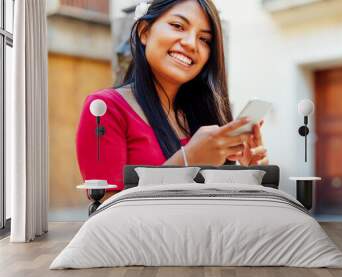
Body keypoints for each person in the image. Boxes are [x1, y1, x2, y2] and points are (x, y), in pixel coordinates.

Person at [76, 0, 269, 198]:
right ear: (144, 31)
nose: (191, 43)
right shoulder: (104, 109)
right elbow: (107, 211)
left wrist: (249, 174)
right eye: (178, 26)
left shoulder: (207, 116)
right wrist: (188, 159)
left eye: (204, 39)